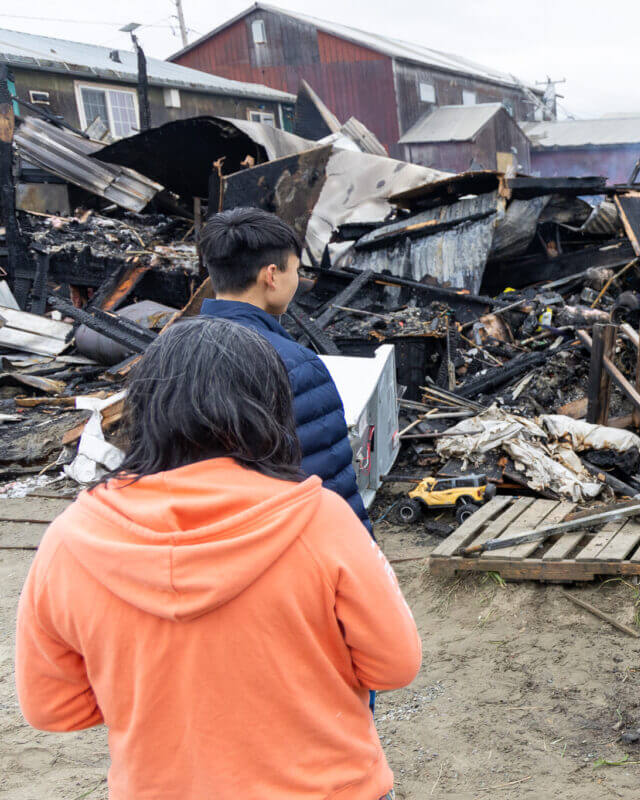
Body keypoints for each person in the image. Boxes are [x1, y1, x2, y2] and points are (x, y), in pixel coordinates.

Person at [15, 318, 421, 800]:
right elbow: (396, 665)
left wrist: (151, 691)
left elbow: (51, 707)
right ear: (269, 408)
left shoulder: (70, 540)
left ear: (143, 409)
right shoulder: (321, 521)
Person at [199, 207, 371, 533]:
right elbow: (328, 488)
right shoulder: (293, 366)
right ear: (271, 275)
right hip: (277, 550)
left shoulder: (165, 357)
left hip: (195, 555)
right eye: (295, 269)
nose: (299, 279)